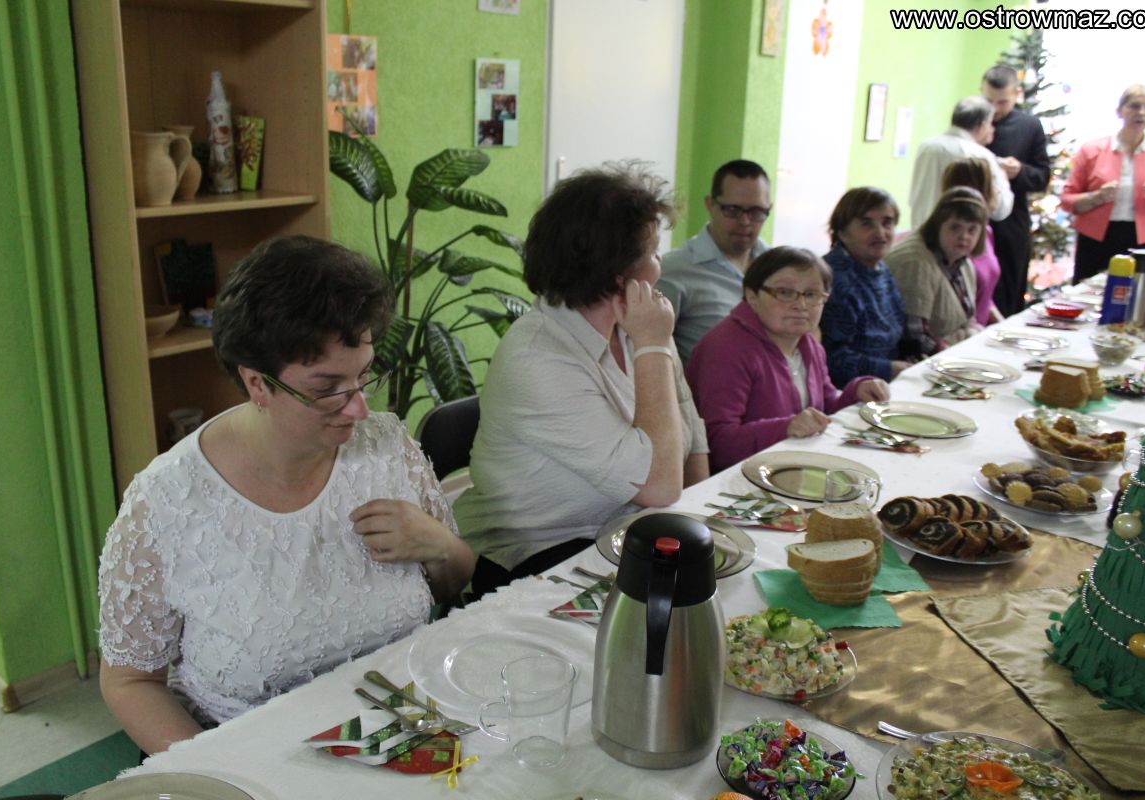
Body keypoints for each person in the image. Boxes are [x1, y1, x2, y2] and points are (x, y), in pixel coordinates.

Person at [98, 236, 475, 754]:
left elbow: (454, 583)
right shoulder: (167, 503)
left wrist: (440, 545)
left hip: (401, 728)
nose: (359, 409)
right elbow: (130, 681)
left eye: (364, 375)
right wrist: (215, 773)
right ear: (257, 383)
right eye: (327, 389)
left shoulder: (387, 448)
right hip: (255, 755)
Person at [454, 164, 709, 596]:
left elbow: (687, 420)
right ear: (618, 276)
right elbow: (661, 485)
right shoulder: (538, 359)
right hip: (536, 554)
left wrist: (701, 512)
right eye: (653, 253)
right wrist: (652, 346)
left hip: (621, 533)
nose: (660, 265)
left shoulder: (638, 321)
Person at [686, 247, 889, 474]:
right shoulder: (726, 348)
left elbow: (823, 407)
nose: (801, 305)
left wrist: (856, 391)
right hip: (734, 480)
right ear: (752, 297)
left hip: (788, 469)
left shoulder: (807, 344)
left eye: (811, 295)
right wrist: (786, 428)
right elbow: (717, 445)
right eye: (784, 292)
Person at [1061, 84, 1145, 284]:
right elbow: (1067, 200)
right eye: (1135, 106)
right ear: (1120, 110)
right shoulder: (1091, 150)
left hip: (1144, 239)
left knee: (1136, 293)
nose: (1142, 112)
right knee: (1087, 291)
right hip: (1096, 236)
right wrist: (1097, 197)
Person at [657, 159, 771, 362]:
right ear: (710, 205)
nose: (745, 221)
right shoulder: (674, 270)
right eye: (733, 210)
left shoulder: (777, 267)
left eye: (756, 212)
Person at [819, 187, 931, 388]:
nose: (880, 233)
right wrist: (890, 368)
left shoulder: (879, 268)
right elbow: (830, 358)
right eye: (866, 223)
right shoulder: (832, 279)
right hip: (849, 392)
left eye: (887, 222)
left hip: (886, 383)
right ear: (842, 232)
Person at [981, 64, 1052, 315]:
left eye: (1002, 102)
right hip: (973, 219)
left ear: (1016, 94)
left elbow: (1042, 177)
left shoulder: (1029, 126)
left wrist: (1020, 171)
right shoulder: (972, 118)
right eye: (989, 101)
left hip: (1011, 225)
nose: (995, 110)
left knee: (1007, 296)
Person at [886, 187, 989, 349]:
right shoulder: (916, 263)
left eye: (972, 230)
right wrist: (966, 338)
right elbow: (915, 338)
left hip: (953, 350)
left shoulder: (963, 262)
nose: (964, 236)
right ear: (937, 224)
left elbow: (968, 320)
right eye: (955, 227)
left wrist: (970, 333)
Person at [908, 96, 1013, 229]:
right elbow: (1000, 210)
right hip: (957, 237)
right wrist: (1003, 178)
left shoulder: (926, 147)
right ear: (982, 125)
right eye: (990, 124)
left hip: (919, 230)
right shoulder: (980, 156)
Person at [940, 157, 1004, 326]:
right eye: (994, 182)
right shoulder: (952, 240)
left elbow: (985, 298)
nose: (998, 190)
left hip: (980, 330)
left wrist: (1004, 326)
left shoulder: (985, 232)